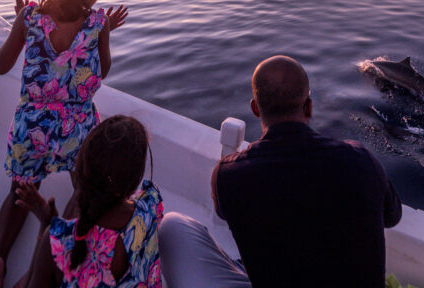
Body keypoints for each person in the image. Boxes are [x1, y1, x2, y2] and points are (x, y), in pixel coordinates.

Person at [159, 55, 402, 288]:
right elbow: (392, 217)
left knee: (171, 226)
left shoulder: (229, 174)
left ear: (255, 108)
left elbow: (222, 214)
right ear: (309, 107)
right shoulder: (360, 160)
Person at [0, 0, 129, 285]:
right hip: (75, 128)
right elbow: (101, 72)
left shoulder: (30, 17)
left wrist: (20, 22)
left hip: (31, 126)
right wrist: (103, 33)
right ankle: (65, 250)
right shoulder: (97, 23)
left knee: (20, 191)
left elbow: (1, 65)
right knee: (84, 189)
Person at [0, 115, 163, 288]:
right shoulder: (151, 205)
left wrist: (47, 226)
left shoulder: (60, 242)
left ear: (83, 166)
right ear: (133, 182)